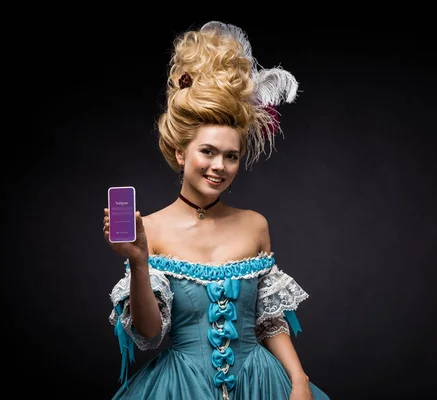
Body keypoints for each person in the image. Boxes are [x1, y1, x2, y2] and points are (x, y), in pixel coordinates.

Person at [102, 21, 330, 400]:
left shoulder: (254, 225)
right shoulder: (151, 228)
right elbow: (148, 334)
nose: (218, 166)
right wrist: (139, 262)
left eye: (231, 156)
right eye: (207, 151)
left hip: (261, 383)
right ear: (181, 153)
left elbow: (268, 320)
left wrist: (299, 380)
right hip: (180, 386)